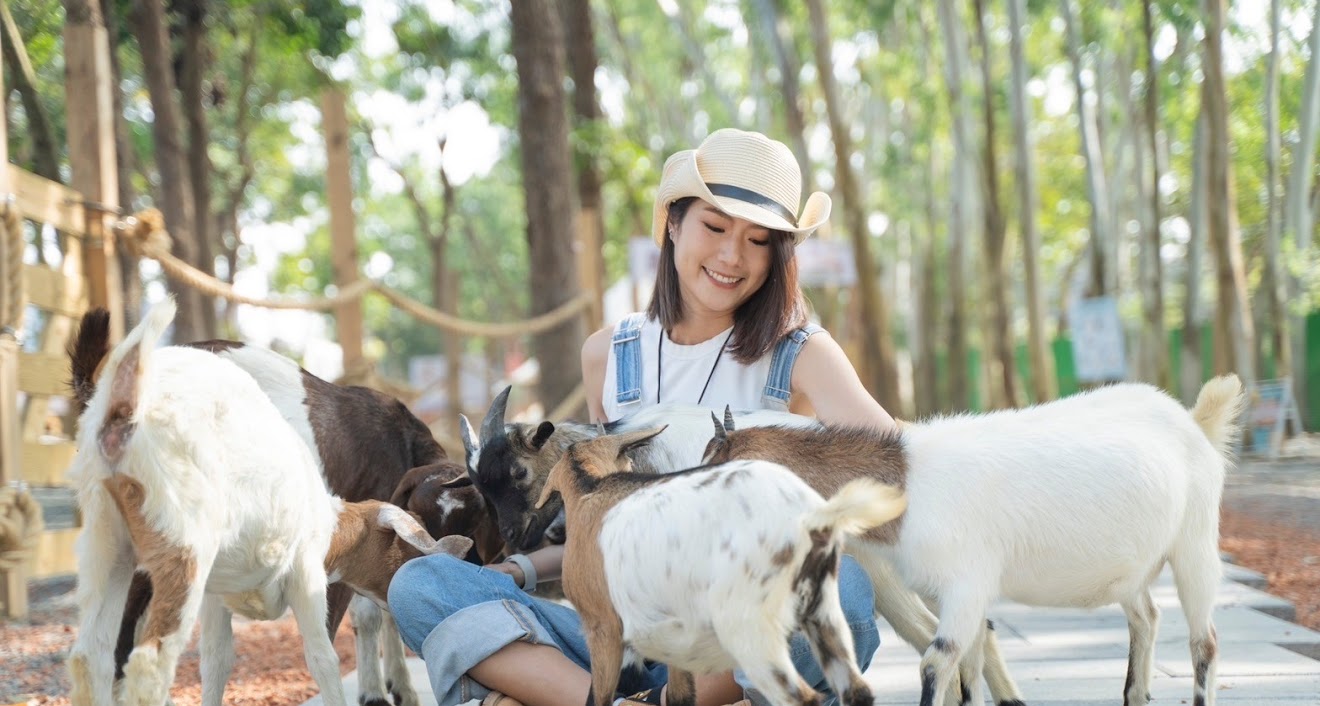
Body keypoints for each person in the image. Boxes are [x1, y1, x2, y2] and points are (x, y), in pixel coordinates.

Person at [388, 129, 900, 706]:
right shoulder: (610, 354)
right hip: (626, 640)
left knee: (845, 590)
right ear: (673, 223)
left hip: (738, 646)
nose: (733, 256)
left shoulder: (800, 353)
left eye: (759, 240)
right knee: (420, 585)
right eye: (714, 227)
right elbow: (602, 523)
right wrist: (520, 573)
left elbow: (908, 469)